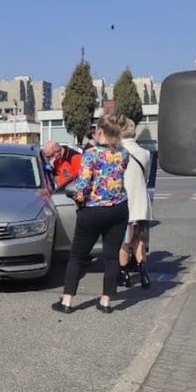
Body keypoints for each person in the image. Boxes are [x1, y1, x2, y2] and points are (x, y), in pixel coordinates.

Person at [52, 114, 131, 314]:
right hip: (119, 209)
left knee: (78, 255)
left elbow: (83, 184)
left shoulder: (91, 153)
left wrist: (76, 196)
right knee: (111, 256)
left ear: (100, 132)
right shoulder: (123, 153)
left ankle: (67, 301)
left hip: (94, 210)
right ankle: (106, 301)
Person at [119, 119, 153, 288]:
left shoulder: (117, 152)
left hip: (123, 201)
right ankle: (144, 274)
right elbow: (145, 177)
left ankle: (124, 276)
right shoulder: (145, 153)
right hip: (141, 202)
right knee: (138, 240)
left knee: (123, 241)